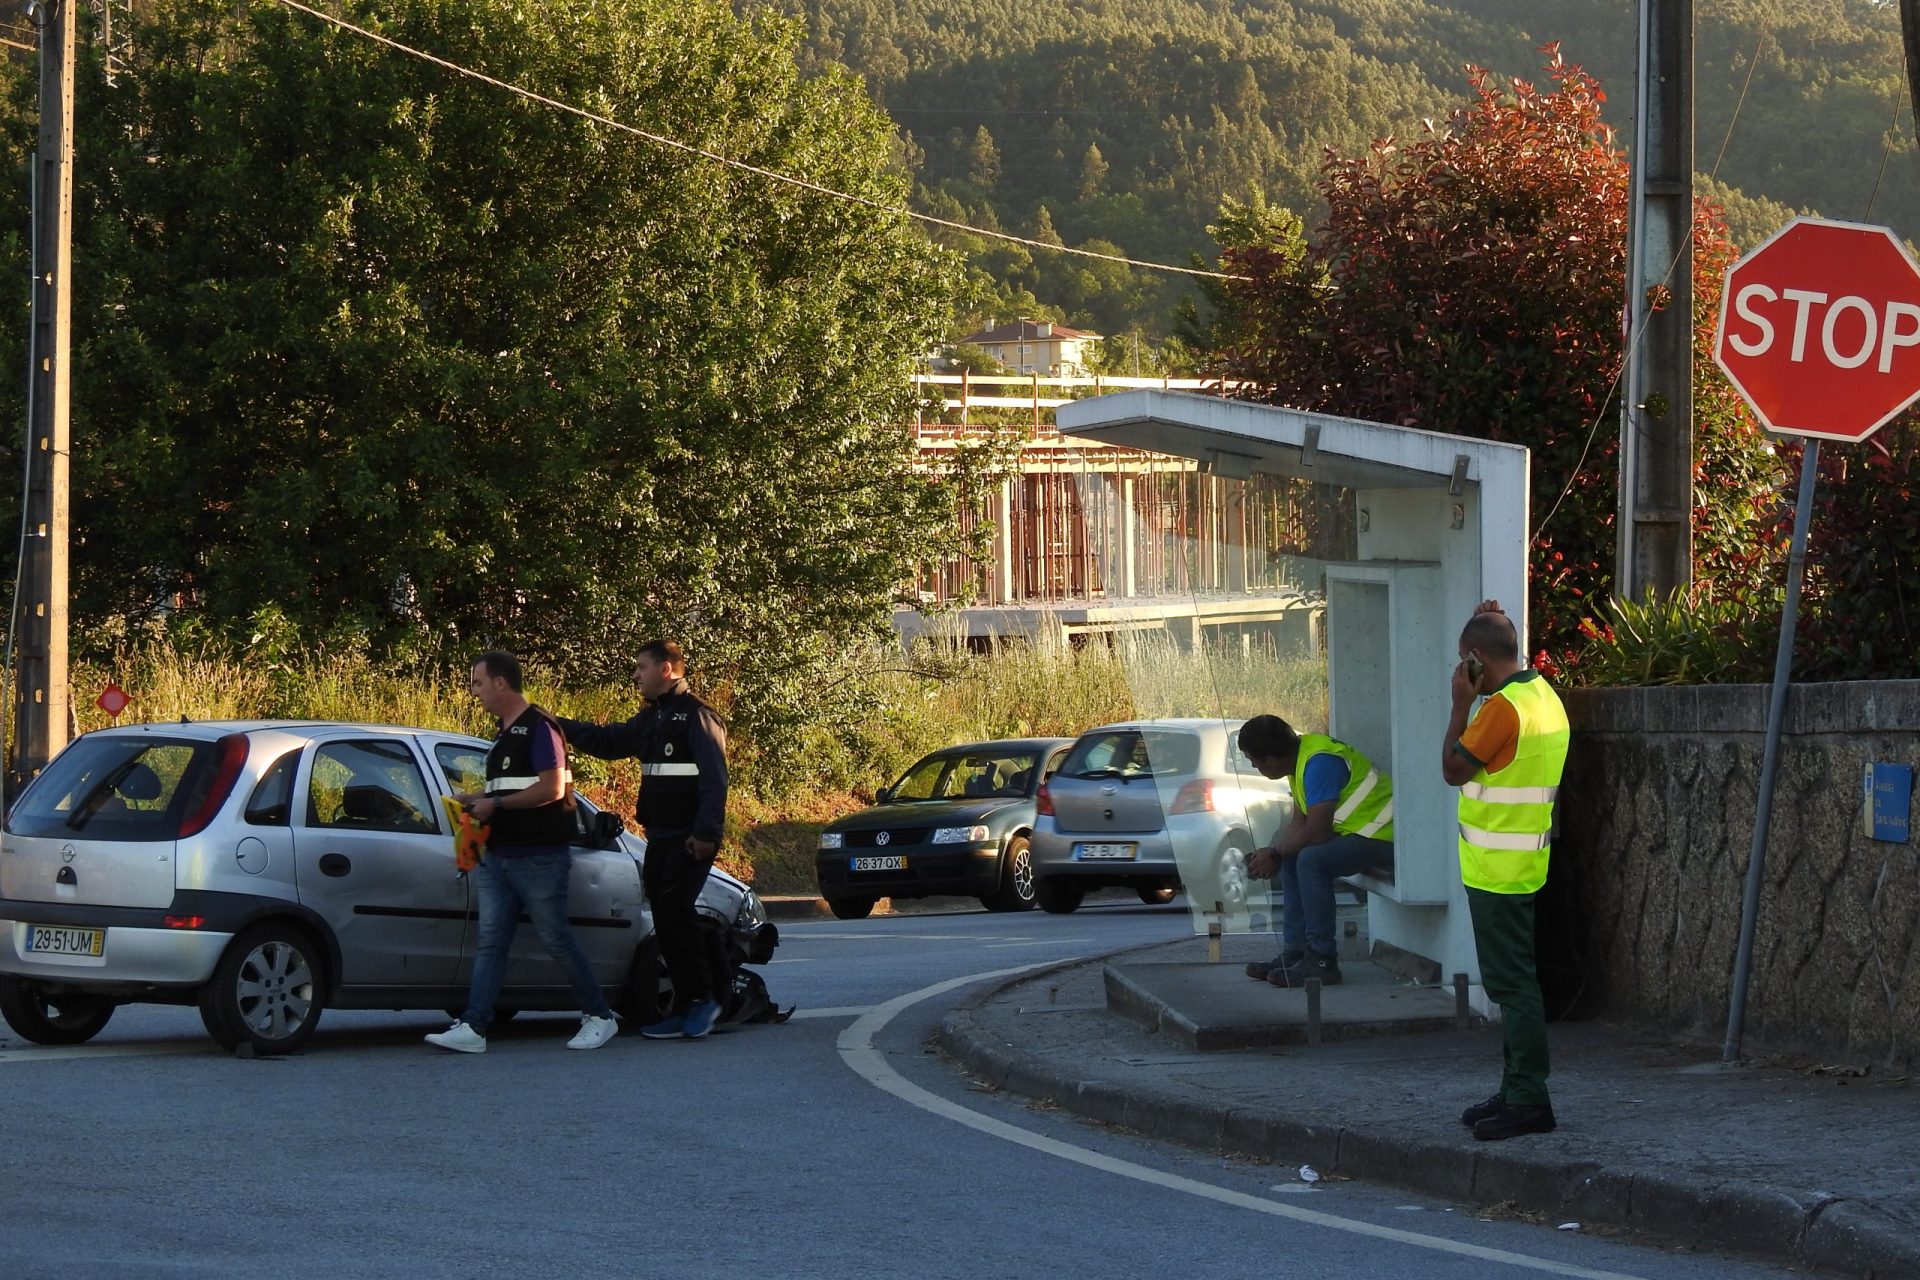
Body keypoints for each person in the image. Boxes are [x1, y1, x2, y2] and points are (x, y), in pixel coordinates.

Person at [427, 651, 620, 1055]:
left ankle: (599, 1015)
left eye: (479, 683)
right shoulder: (504, 732)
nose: (474, 692)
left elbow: (551, 789)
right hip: (499, 855)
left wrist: (494, 805)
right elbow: (512, 787)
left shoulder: (540, 728)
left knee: (555, 936)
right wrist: (477, 798)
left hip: (538, 855)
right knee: (492, 941)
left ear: (501, 683)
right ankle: (474, 1026)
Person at [556, 640, 730, 1041]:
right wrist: (558, 725)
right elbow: (607, 741)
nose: (635, 674)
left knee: (677, 915)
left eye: (641, 667)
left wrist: (706, 834)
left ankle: (704, 1001)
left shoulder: (698, 717)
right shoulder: (654, 718)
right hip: (661, 836)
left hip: (689, 838)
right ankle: (687, 1005)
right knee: (667, 923)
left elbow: (714, 781)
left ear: (667, 668)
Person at [1442, 599, 1570, 1141]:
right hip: (1524, 861)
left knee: (1512, 986)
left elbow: (1453, 769)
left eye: (1462, 661)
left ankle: (1528, 1099)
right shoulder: (1542, 696)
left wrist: (1459, 705)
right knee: (1515, 981)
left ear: (1474, 659)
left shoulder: (1496, 710)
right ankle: (1516, 1085)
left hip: (1495, 868)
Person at [1241, 715, 1395, 987]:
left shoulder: (1319, 763)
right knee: (1294, 856)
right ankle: (1296, 953)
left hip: (1385, 837)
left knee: (1312, 860)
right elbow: (1299, 824)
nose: (1255, 767)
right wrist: (1275, 854)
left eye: (1255, 761)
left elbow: (1317, 832)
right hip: (1360, 835)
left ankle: (1322, 960)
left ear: (1271, 759)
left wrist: (1275, 853)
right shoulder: (1300, 761)